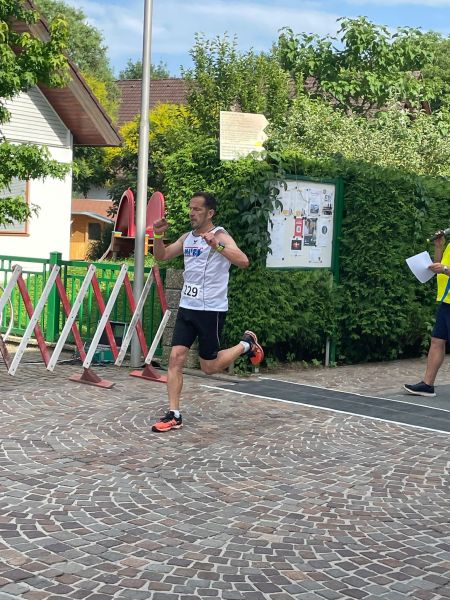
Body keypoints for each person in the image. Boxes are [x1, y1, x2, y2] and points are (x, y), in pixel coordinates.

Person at [150, 192, 264, 432]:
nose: (192, 213)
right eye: (190, 209)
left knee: (209, 367)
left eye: (197, 209)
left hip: (211, 309)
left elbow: (243, 261)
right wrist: (157, 236)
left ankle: (246, 344)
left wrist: (218, 245)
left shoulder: (221, 235)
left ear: (210, 213)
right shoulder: (188, 238)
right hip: (187, 307)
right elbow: (161, 256)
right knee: (175, 357)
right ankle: (174, 414)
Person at [404, 229, 450, 397]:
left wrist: (445, 268)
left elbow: (444, 269)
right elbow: (438, 268)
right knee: (437, 340)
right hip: (446, 301)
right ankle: (427, 385)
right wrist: (439, 247)